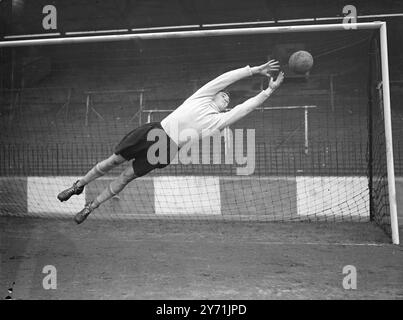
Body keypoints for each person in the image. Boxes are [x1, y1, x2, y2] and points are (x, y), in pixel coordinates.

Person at [57, 61, 284, 224]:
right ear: (214, 95)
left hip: (166, 149)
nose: (226, 97)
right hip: (154, 131)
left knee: (126, 177)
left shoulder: (218, 121)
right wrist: (253, 71)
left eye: (229, 100)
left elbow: (245, 108)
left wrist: (268, 91)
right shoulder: (201, 97)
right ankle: (78, 186)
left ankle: (90, 207)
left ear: (227, 108)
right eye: (223, 94)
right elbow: (224, 79)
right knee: (112, 162)